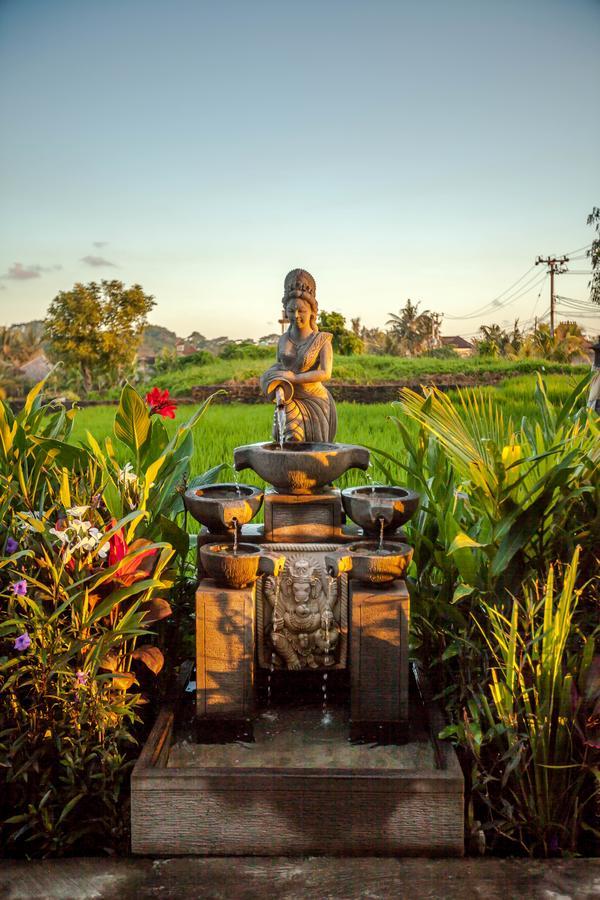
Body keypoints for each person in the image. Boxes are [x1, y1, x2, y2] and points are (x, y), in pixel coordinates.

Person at [260, 269, 337, 442]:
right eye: (291, 310)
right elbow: (280, 366)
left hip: (314, 401)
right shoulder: (283, 339)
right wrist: (273, 379)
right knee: (288, 442)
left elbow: (325, 373)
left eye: (301, 310)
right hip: (289, 399)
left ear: (312, 312)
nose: (296, 315)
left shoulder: (321, 340)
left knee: (313, 455)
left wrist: (293, 378)